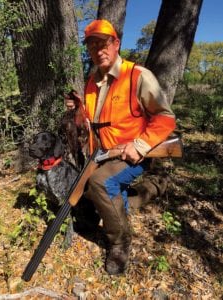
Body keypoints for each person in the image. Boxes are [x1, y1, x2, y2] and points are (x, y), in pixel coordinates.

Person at [65, 19, 176, 275]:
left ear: (116, 44)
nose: (98, 50)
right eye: (92, 46)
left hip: (133, 153)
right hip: (102, 153)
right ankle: (148, 191)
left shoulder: (138, 75)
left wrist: (140, 145)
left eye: (103, 43)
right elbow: (96, 121)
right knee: (96, 190)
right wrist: (78, 109)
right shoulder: (92, 82)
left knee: (101, 184)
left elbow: (165, 118)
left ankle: (120, 242)